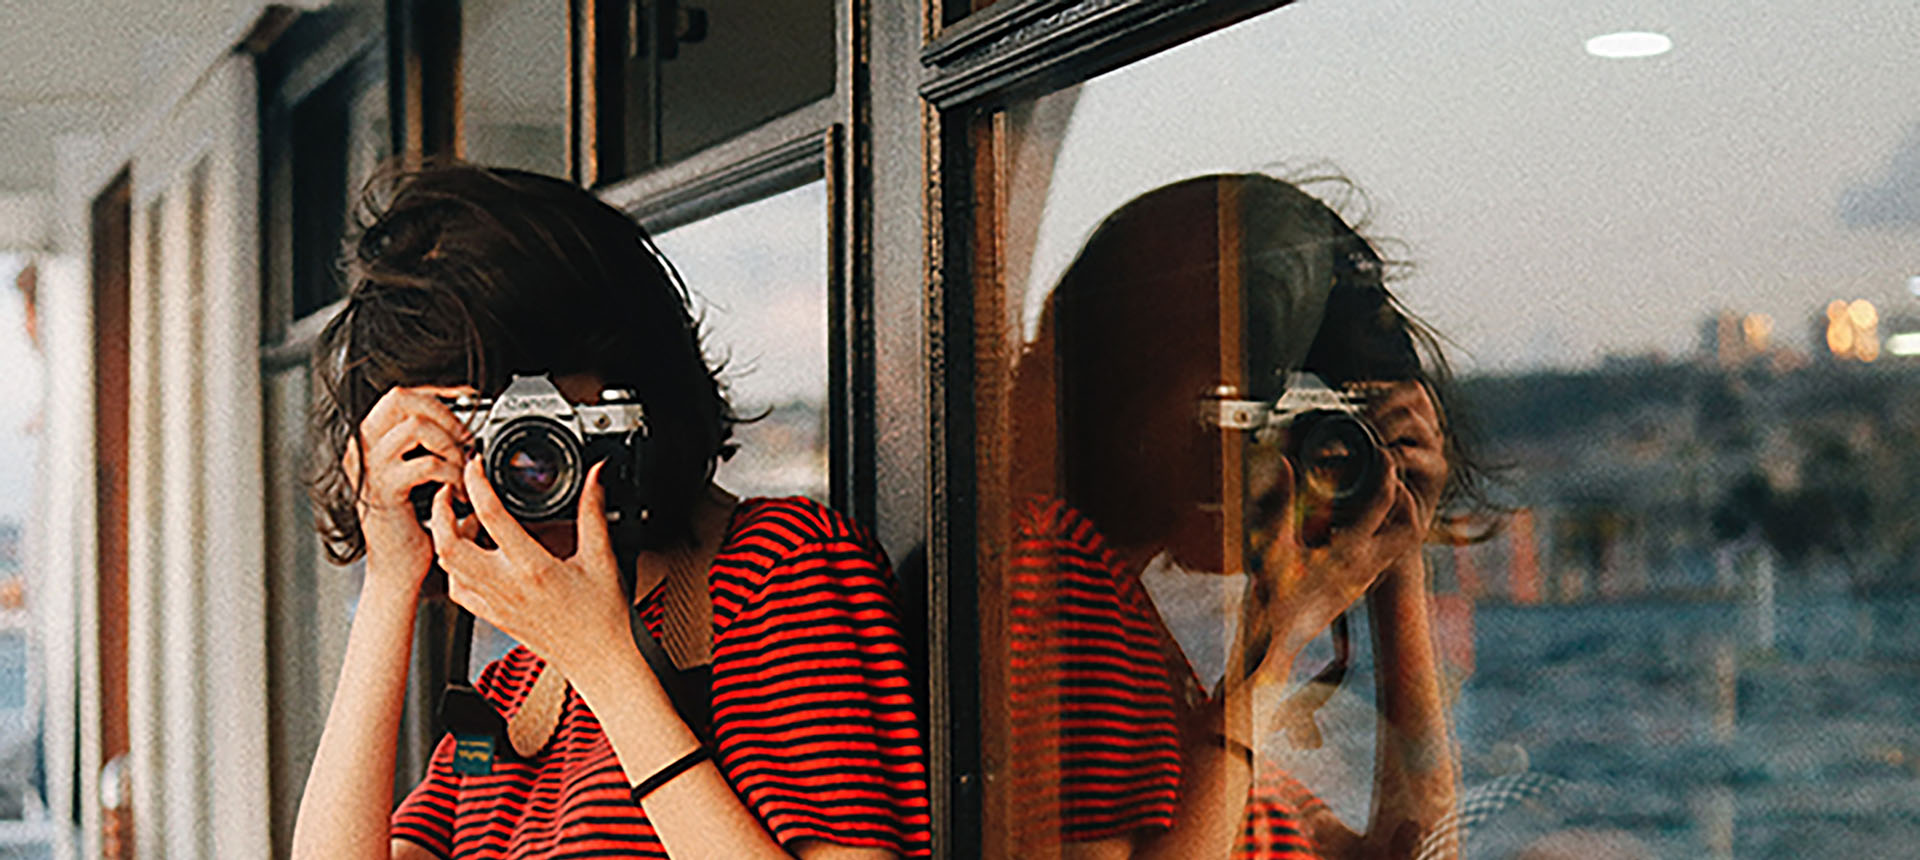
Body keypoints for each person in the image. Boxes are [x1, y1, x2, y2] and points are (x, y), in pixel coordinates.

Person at [290, 163, 932, 860]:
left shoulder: (774, 569)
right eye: (483, 422)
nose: (523, 461)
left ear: (634, 388)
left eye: (549, 413)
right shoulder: (515, 685)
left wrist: (602, 659)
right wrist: (391, 580)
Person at [1004, 173, 1489, 859]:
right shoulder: (1066, 593)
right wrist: (1275, 646)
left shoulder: (1153, 660)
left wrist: (1392, 549)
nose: (1304, 456)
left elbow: (1417, 854)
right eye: (1271, 410)